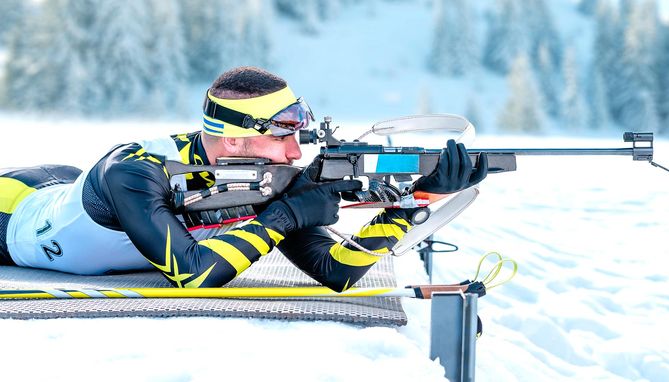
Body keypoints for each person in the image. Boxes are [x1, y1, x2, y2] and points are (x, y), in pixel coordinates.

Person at [0, 66, 488, 290]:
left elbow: (336, 271)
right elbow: (193, 274)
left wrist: (411, 201)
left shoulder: (268, 178)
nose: (297, 152)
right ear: (233, 140)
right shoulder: (135, 171)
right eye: (284, 137)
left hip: (61, 188)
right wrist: (283, 217)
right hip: (13, 209)